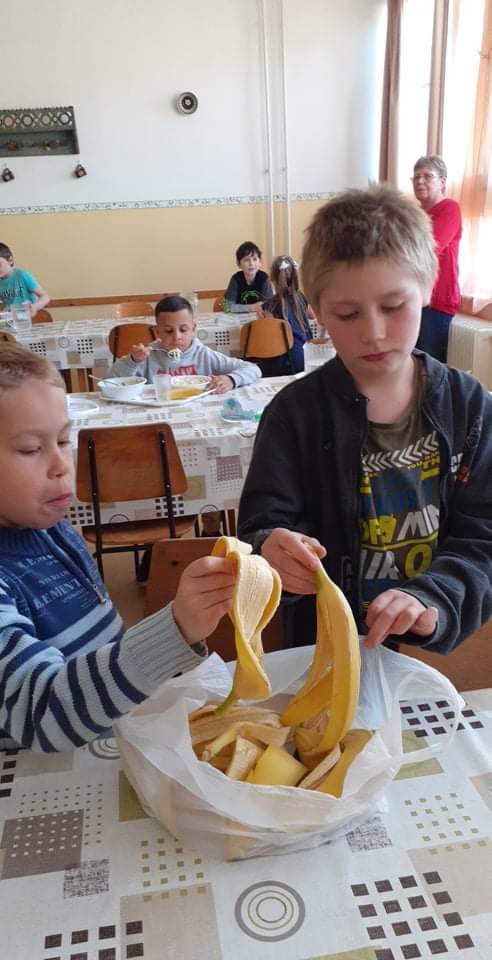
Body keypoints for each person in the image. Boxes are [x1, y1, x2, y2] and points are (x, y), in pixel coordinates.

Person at [238, 185, 492, 654]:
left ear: (426, 290)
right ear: (318, 311)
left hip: (431, 641)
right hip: (323, 644)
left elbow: (484, 535)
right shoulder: (293, 414)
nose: (374, 333)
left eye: (393, 307)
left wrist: (436, 596)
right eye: (348, 313)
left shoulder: (469, 406)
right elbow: (260, 528)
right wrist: (270, 548)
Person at [0, 343, 235, 751]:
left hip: (111, 738)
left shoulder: (53, 530)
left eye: (63, 440)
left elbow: (104, 646)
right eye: (31, 449)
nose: (61, 465)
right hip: (50, 773)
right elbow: (41, 713)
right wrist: (173, 631)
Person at [111, 295, 261, 393]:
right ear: (157, 332)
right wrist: (132, 361)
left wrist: (231, 380)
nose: (177, 337)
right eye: (168, 331)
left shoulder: (203, 354)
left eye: (183, 330)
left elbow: (253, 369)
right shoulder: (148, 357)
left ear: (193, 329)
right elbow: (111, 381)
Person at [412, 156, 462, 362]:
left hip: (437, 302)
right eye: (416, 177)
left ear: (442, 181)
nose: (420, 181)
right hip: (414, 299)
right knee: (411, 364)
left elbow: (430, 248)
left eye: (427, 176)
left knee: (429, 366)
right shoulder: (414, 214)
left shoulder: (449, 208)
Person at [259, 255, 315, 375]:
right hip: (305, 358)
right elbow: (313, 316)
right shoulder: (301, 298)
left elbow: (267, 334)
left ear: (272, 278)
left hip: (282, 362)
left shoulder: (269, 306)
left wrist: (260, 315)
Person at [0, 242, 50, 319]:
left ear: (10, 260)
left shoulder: (22, 275)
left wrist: (35, 307)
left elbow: (45, 296)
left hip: (30, 319)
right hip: (10, 320)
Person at [224, 241, 274, 313]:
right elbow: (227, 307)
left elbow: (271, 305)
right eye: (246, 260)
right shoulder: (236, 279)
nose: (251, 263)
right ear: (238, 264)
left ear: (260, 262)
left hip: (259, 317)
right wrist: (251, 307)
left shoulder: (264, 278)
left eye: (255, 259)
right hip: (238, 318)